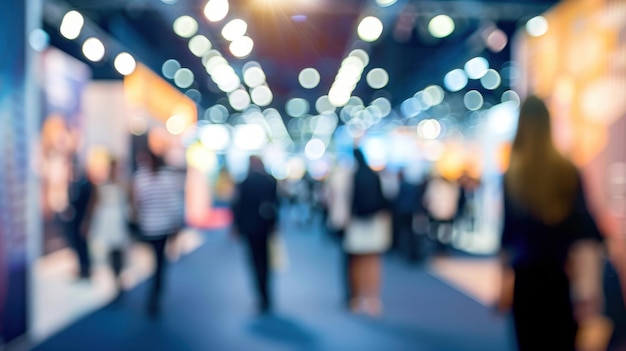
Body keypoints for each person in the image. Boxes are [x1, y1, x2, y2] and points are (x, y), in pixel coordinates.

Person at [496, 95, 605, 350]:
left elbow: (507, 235)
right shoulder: (567, 170)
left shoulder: (512, 175)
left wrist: (502, 285)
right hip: (561, 278)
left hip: (526, 280)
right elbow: (586, 231)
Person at [130, 149, 185, 316]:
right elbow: (136, 202)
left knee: (159, 260)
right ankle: (156, 288)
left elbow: (173, 202)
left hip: (162, 227)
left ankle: (155, 292)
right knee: (155, 261)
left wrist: (175, 224)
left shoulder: (165, 178)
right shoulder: (141, 178)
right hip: (148, 226)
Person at [343, 148, 391, 316]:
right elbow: (384, 200)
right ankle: (373, 300)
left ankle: (357, 299)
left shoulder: (352, 176)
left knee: (356, 261)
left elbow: (346, 200)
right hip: (374, 222)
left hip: (356, 222)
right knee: (373, 261)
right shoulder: (374, 175)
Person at [231, 156, 279, 314]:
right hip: (265, 227)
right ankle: (267, 295)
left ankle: (260, 295)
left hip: (249, 229)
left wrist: (236, 227)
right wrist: (274, 225)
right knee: (265, 262)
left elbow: (238, 206)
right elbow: (275, 205)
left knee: (254, 261)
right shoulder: (270, 181)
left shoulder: (245, 182)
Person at [90, 158, 129, 300]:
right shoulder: (103, 185)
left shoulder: (123, 185)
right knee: (110, 252)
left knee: (118, 252)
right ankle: (115, 279)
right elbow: (96, 204)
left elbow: (129, 203)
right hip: (108, 222)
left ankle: (119, 278)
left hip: (118, 221)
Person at [63, 158, 97, 281]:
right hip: (76, 220)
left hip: (82, 220)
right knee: (78, 245)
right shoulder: (74, 184)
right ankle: (82, 268)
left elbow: (89, 205)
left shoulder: (85, 185)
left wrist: (86, 221)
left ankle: (86, 269)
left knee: (83, 246)